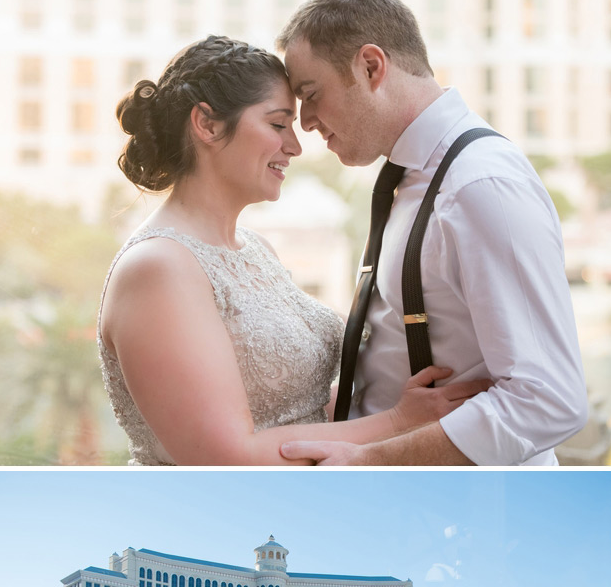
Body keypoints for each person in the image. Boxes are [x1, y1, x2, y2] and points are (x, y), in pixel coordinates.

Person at [99, 36, 474, 465]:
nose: (295, 146)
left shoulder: (256, 249)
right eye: (278, 125)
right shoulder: (158, 269)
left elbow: (292, 410)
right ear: (206, 124)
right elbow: (226, 458)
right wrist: (397, 422)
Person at [277, 0, 587, 470]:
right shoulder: (412, 178)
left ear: (371, 66)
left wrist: (371, 463)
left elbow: (547, 401)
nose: (306, 122)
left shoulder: (480, 185)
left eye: (311, 94)